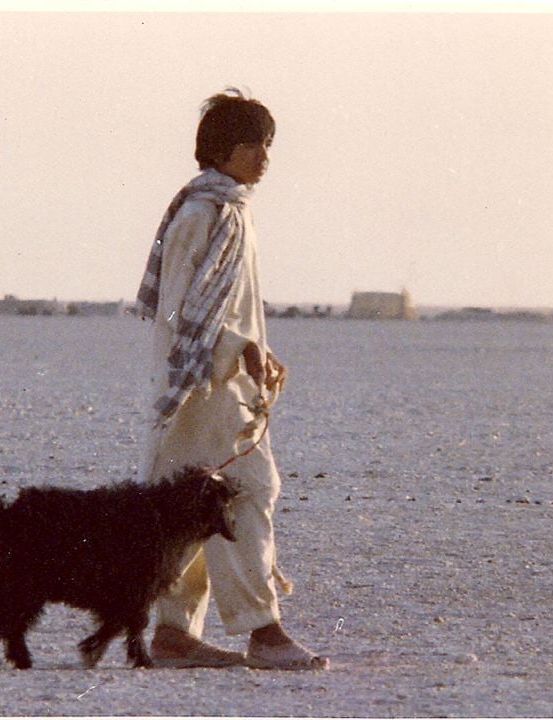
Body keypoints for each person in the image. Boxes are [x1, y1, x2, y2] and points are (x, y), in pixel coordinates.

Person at [134, 89, 329, 671]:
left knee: (193, 507)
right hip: (200, 391)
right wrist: (236, 352)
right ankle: (262, 632)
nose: (265, 157)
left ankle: (173, 634)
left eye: (269, 145)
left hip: (226, 389)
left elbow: (232, 309)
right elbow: (179, 312)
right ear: (224, 149)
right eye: (254, 145)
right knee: (243, 495)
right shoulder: (201, 214)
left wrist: (256, 350)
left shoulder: (233, 210)